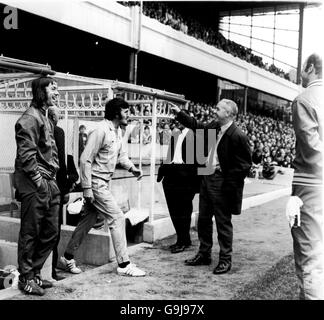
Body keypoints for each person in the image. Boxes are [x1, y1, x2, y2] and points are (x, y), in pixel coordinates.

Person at [60, 98, 146, 277]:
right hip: (96, 183)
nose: (128, 115)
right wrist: (87, 188)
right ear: (116, 113)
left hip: (103, 183)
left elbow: (121, 156)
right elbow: (85, 159)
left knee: (87, 221)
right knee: (117, 217)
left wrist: (132, 168)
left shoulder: (117, 132)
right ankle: (124, 264)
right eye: (125, 111)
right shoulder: (100, 130)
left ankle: (67, 257)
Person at [171, 99, 251, 274]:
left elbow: (244, 165)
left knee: (223, 222)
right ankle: (204, 254)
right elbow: (198, 126)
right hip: (207, 178)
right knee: (204, 220)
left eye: (218, 109)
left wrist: (228, 185)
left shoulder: (238, 135)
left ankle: (225, 260)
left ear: (228, 114)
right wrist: (179, 114)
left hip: (222, 182)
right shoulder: (215, 125)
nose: (215, 111)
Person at [13, 76, 60, 295]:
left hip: (48, 181)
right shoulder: (30, 118)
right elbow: (27, 155)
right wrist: (39, 181)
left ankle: (35, 273)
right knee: (30, 232)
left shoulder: (44, 116)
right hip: (35, 182)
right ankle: (26, 278)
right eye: (53, 89)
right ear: (41, 91)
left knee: (51, 231)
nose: (57, 93)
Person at [288, 53, 323, 299]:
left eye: (303, 68)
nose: (300, 72)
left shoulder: (304, 99)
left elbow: (312, 151)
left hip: (311, 184)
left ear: (311, 68)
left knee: (309, 258)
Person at [157, 114, 201, 253]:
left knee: (183, 211)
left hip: (186, 179)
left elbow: (199, 162)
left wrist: (195, 183)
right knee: (174, 211)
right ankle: (181, 239)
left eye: (180, 120)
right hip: (171, 177)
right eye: (176, 120)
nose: (177, 122)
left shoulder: (195, 136)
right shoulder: (175, 134)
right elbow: (170, 156)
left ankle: (184, 240)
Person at [48, 106, 79, 281]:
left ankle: (45, 270)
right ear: (54, 117)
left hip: (40, 187)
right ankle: (51, 271)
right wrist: (65, 189)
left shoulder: (36, 128)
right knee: (54, 231)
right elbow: (60, 164)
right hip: (55, 189)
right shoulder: (57, 132)